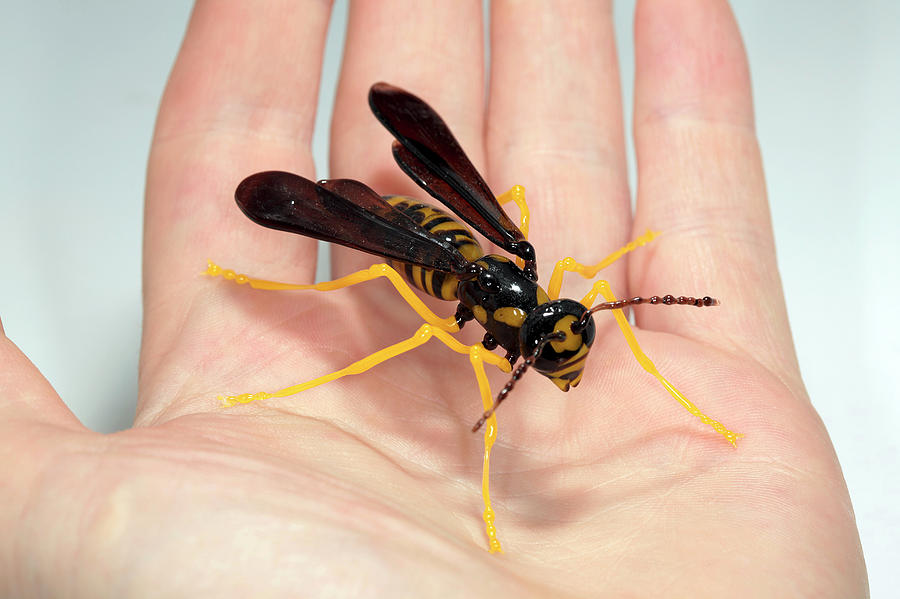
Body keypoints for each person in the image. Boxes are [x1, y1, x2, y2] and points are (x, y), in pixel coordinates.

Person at [0, 1, 867, 596]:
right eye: (559, 343)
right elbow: (398, 320)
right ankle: (286, 267)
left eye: (560, 341)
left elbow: (580, 302)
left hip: (449, 236)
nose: (563, 341)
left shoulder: (537, 289)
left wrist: (630, 305)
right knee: (380, 278)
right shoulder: (491, 309)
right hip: (408, 239)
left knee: (516, 240)